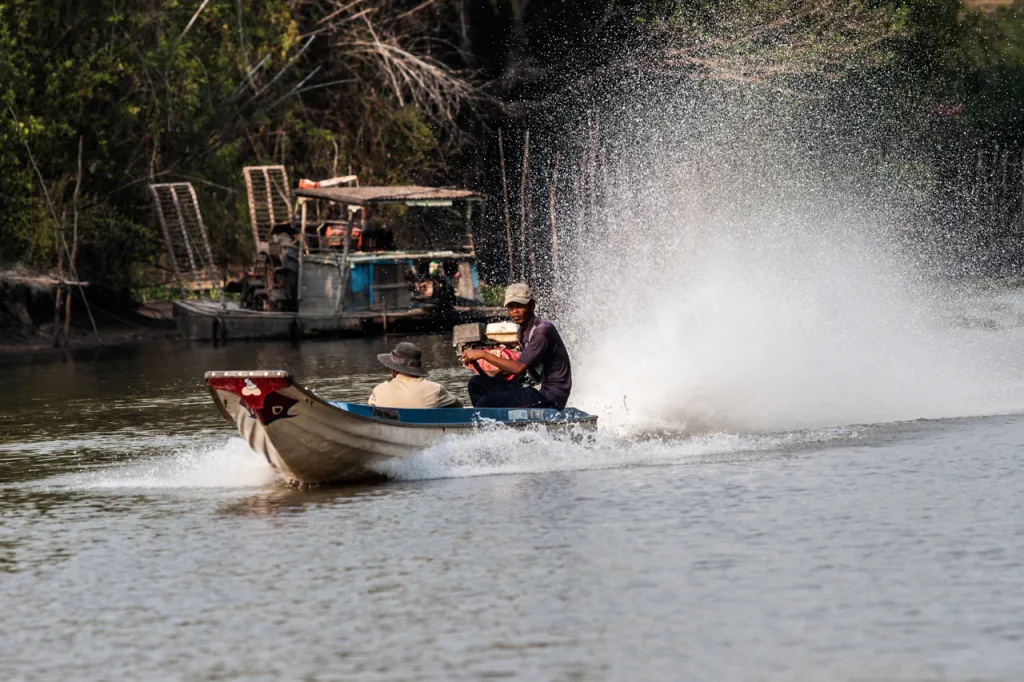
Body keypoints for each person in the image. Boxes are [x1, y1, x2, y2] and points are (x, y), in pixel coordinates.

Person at [460, 283, 572, 410]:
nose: (515, 311)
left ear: (532, 306)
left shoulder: (542, 331)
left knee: (486, 402)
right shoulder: (522, 331)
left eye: (520, 306)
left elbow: (518, 368)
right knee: (476, 384)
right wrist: (496, 374)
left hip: (550, 396)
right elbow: (523, 366)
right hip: (533, 389)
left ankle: (486, 424)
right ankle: (494, 422)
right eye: (511, 307)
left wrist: (483, 354)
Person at [368, 342, 462, 408]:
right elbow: (458, 407)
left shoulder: (379, 390)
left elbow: (370, 411)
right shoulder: (435, 389)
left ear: (394, 370)